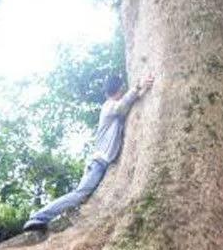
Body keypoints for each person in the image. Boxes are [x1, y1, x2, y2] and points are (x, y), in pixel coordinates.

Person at [23, 73, 154, 232]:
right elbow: (121, 106)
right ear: (121, 89)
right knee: (80, 194)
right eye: (123, 89)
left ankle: (46, 217)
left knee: (83, 196)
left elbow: (128, 105)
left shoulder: (115, 109)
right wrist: (138, 85)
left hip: (100, 163)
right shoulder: (108, 106)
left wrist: (143, 90)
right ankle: (38, 217)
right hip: (97, 163)